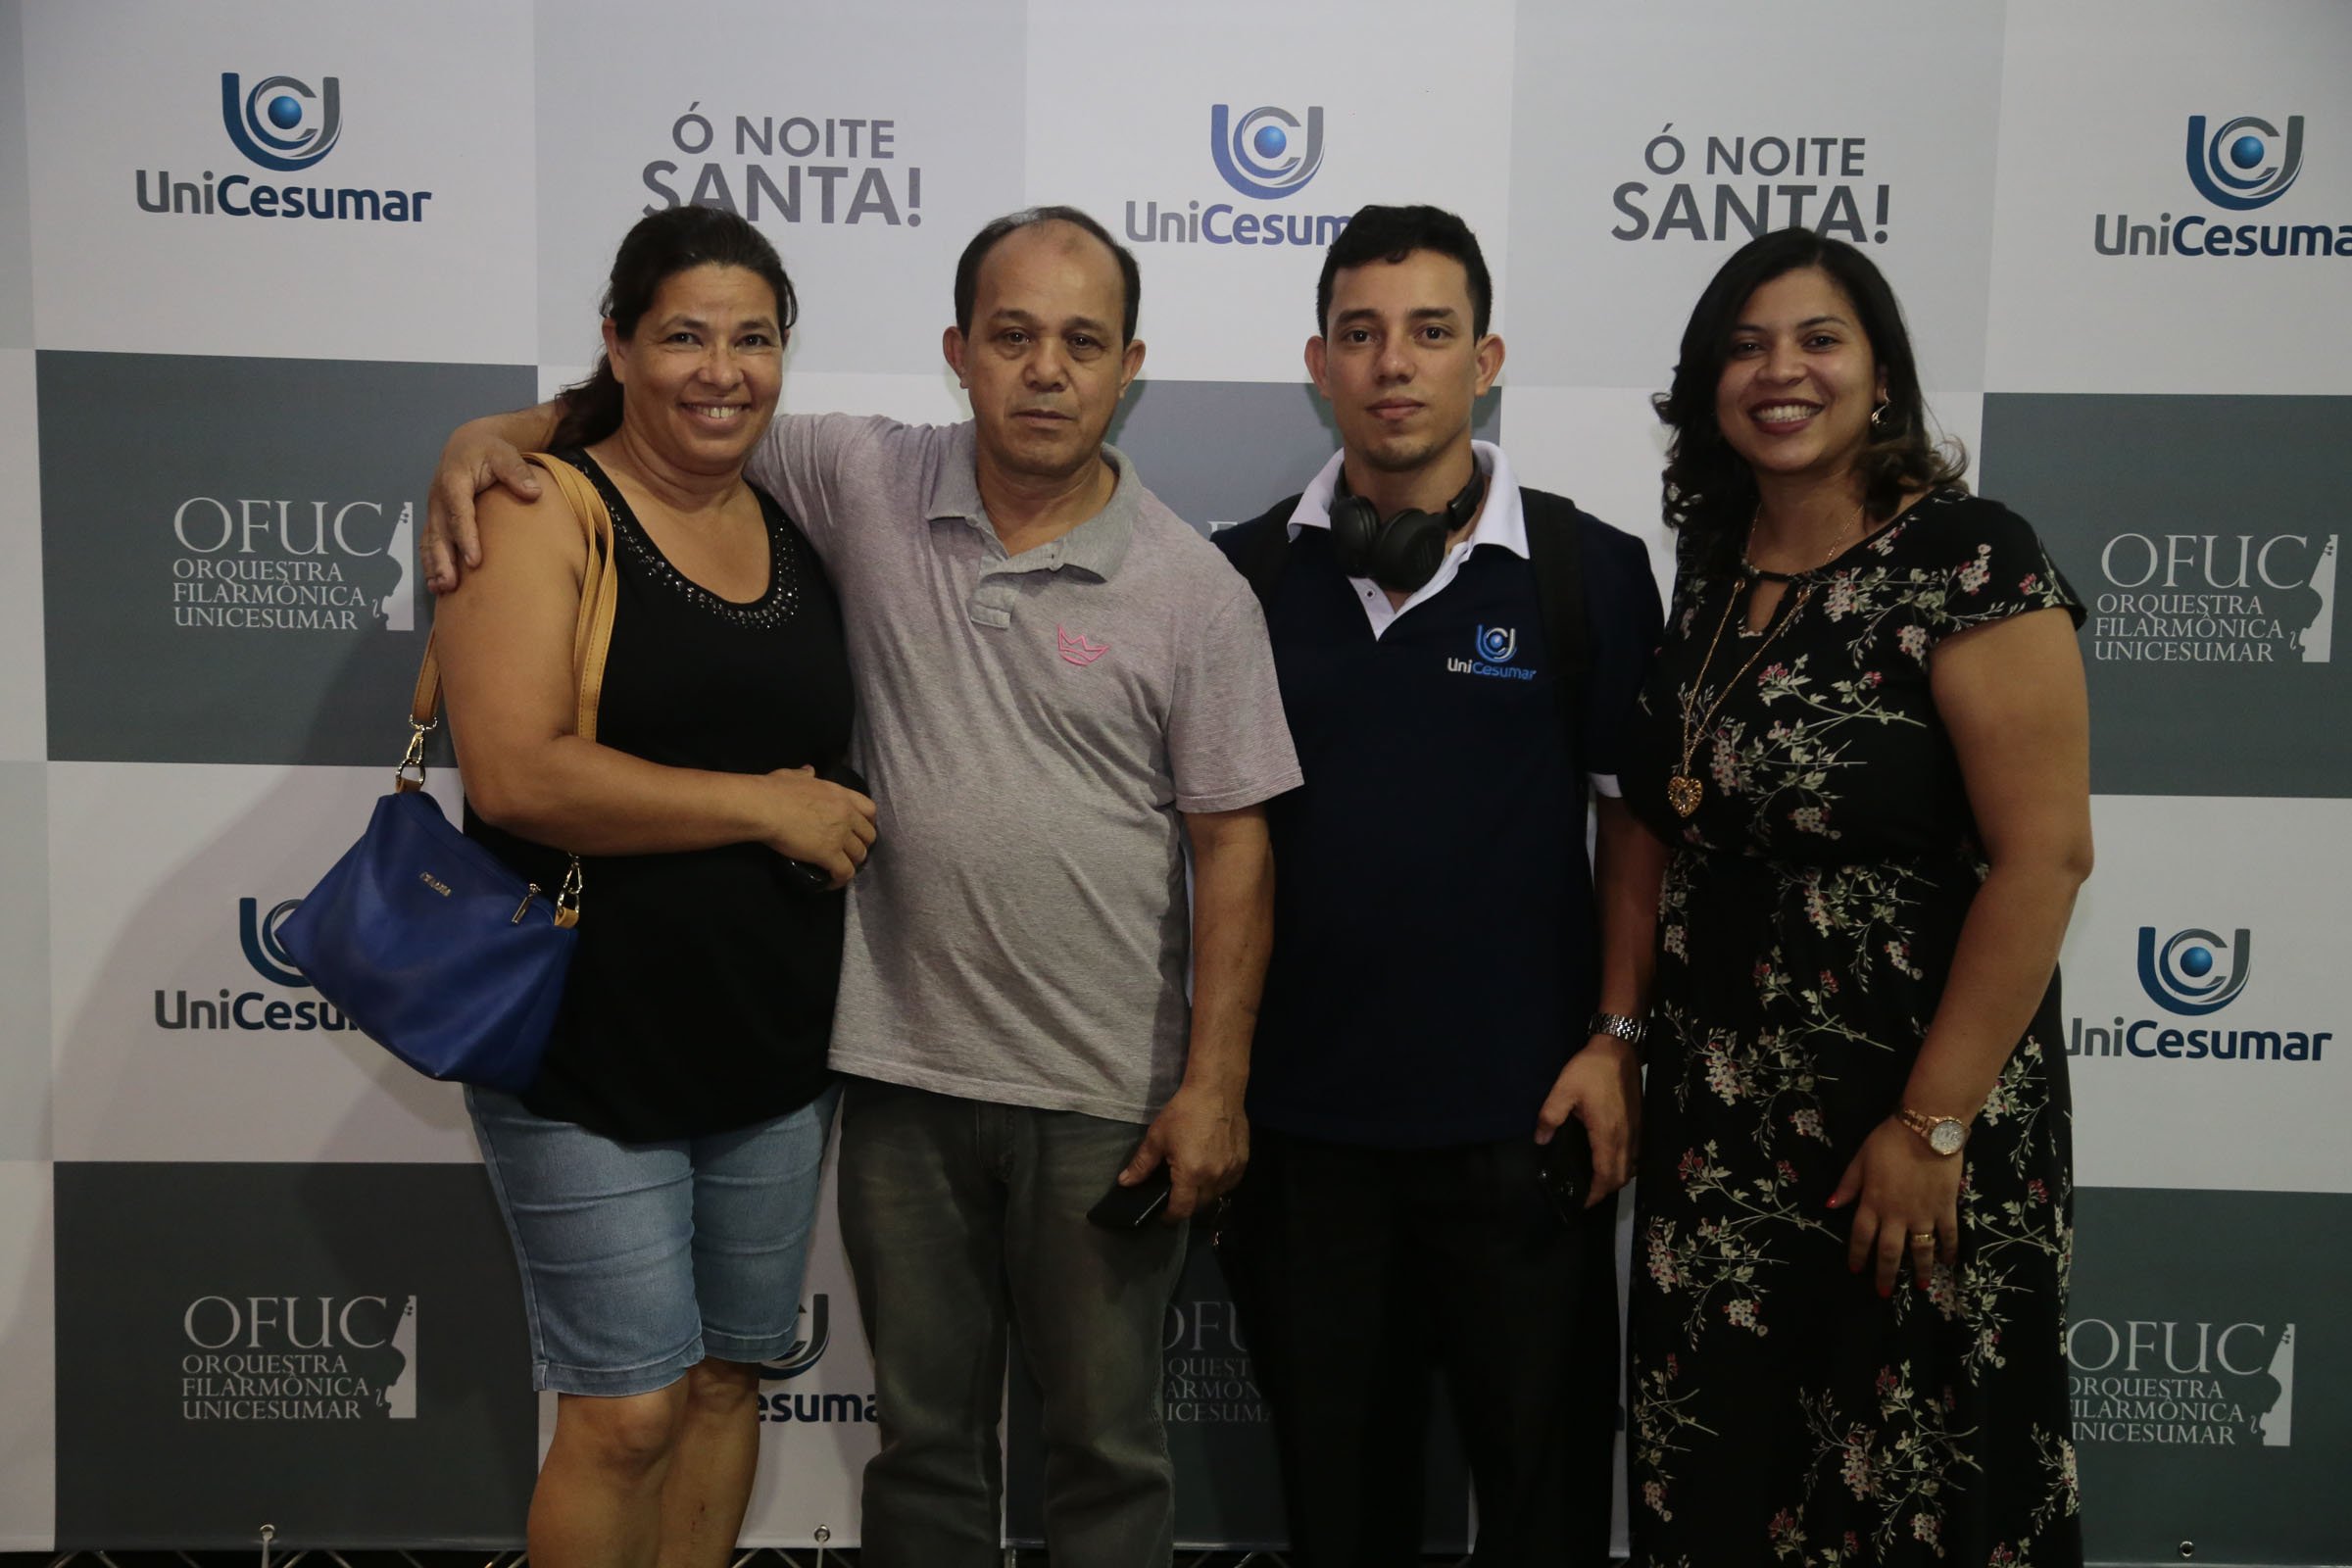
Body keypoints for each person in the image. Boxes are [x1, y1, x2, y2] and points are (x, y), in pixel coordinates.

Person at [423, 206, 1301, 1567]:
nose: (1046, 371)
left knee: (1108, 1458)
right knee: (922, 1452)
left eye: (1082, 342)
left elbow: (1235, 846)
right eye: (1012, 336)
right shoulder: (858, 475)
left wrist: (1217, 1083)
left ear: (1131, 366)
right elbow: (665, 405)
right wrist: (487, 437)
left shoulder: (1199, 591)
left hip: (1099, 1094)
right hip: (894, 1076)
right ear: (958, 350)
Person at [1619, 227, 2090, 1565]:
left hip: (1910, 1123)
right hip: (1719, 1129)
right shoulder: (1714, 568)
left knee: (1908, 1480)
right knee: (1722, 1472)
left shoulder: (1971, 558)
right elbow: (1665, 820)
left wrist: (1931, 1126)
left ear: (1882, 375)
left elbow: (2045, 858)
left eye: (1819, 340)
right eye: (1745, 346)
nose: (1782, 371)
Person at [1209, 204, 1666, 1566]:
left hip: (1527, 1132)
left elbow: (1636, 829)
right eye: (1360, 334)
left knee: (1542, 1510)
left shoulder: (1587, 571)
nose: (1393, 364)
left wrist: (1616, 1038)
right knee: (1341, 1518)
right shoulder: (1239, 578)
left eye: (1429, 331)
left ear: (1488, 358)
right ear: (1319, 362)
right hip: (1303, 1139)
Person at [435, 205, 877, 1568]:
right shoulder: (540, 506)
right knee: (625, 1414)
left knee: (728, 1379)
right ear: (618, 345)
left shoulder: (796, 508)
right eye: (683, 336)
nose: (721, 372)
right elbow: (515, 775)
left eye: (755, 339)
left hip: (772, 1043)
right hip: (584, 1043)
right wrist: (767, 805)